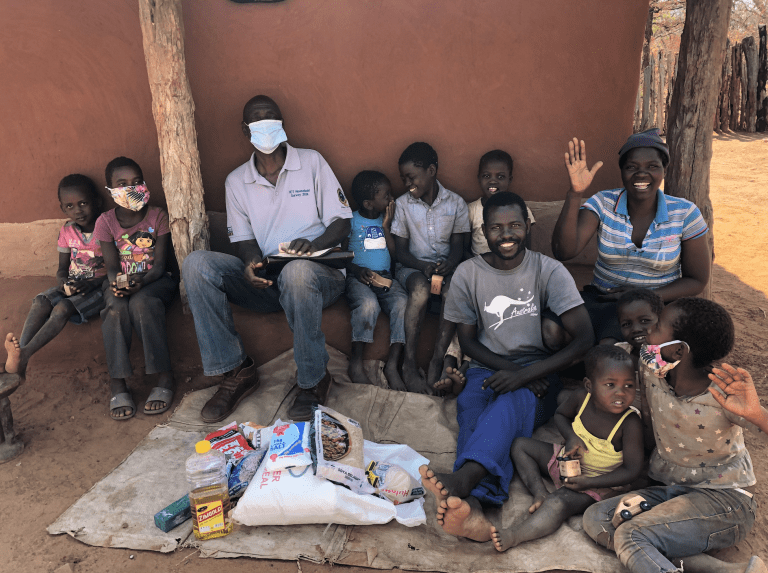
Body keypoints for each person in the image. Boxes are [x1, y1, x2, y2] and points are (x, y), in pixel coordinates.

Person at [418, 191, 594, 542]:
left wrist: (527, 375)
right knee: (471, 408)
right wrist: (511, 373)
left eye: (514, 225)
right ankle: (476, 508)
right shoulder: (469, 273)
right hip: (488, 368)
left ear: (527, 225)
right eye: (496, 228)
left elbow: (585, 338)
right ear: (484, 230)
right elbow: (468, 342)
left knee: (507, 407)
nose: (506, 234)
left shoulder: (548, 270)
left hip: (539, 376)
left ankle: (464, 480)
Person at [182, 95, 352, 423]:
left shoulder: (311, 162)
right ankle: (237, 372)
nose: (265, 123)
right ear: (246, 129)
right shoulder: (236, 181)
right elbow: (244, 241)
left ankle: (314, 380)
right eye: (257, 119)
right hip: (271, 279)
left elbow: (342, 221)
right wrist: (250, 263)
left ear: (282, 122)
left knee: (297, 272)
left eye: (271, 116)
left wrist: (313, 244)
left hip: (319, 278)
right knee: (197, 265)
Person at [582, 298, 768, 573]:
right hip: (671, 491)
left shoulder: (724, 394)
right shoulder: (651, 370)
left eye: (657, 327)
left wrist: (756, 414)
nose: (649, 331)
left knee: (631, 535)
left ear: (678, 349)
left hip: (726, 502)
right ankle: (728, 571)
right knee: (598, 519)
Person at [551, 129, 711, 344]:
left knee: (611, 346)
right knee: (550, 330)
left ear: (664, 170)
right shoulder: (603, 203)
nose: (641, 174)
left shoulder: (685, 213)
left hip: (654, 305)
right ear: (622, 171)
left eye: (652, 166)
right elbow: (564, 251)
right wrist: (575, 192)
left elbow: (697, 280)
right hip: (603, 298)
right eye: (631, 167)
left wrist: (646, 294)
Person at [491, 345, 643, 551]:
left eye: (629, 385)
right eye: (610, 385)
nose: (621, 393)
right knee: (520, 445)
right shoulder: (581, 398)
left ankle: (515, 535)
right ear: (589, 385)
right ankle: (539, 493)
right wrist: (571, 437)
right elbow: (560, 415)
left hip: (597, 484)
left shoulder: (630, 422)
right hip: (566, 463)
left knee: (557, 502)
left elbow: (632, 470)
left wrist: (589, 482)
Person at [435, 149, 540, 396]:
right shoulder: (471, 210)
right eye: (487, 176)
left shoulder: (521, 209)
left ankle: (465, 369)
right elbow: (463, 250)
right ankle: (449, 365)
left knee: (493, 321)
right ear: (478, 178)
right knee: (465, 315)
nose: (493, 181)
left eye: (500, 176)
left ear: (510, 179)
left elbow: (528, 251)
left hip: (511, 277)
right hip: (478, 276)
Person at [95, 157, 178, 420]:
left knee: (142, 303)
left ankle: (164, 376)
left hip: (155, 280)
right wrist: (119, 284)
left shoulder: (158, 216)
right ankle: (118, 382)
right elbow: (111, 267)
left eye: (136, 181)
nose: (131, 188)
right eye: (122, 184)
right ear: (110, 189)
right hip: (122, 281)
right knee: (115, 306)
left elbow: (160, 265)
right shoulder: (105, 222)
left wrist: (140, 282)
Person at [4, 174, 106, 379]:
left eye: (83, 203)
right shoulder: (67, 230)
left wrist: (92, 284)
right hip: (72, 285)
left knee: (62, 308)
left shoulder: (107, 228)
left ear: (97, 202)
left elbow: (116, 269)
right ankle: (19, 356)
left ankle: (24, 355)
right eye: (70, 206)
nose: (78, 210)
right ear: (63, 209)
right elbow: (62, 269)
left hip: (97, 289)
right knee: (41, 301)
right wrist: (63, 282)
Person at [391, 142, 470, 393]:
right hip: (412, 268)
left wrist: (450, 264)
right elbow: (401, 252)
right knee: (420, 291)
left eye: (411, 177)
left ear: (431, 171)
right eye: (403, 179)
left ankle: (437, 360)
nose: (407, 183)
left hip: (446, 270)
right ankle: (409, 364)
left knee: (452, 291)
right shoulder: (403, 205)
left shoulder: (456, 203)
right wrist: (422, 266)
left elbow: (458, 246)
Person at [343, 170, 407, 389]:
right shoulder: (351, 221)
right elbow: (342, 255)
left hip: (385, 277)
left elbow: (395, 254)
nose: (391, 199)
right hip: (358, 278)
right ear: (369, 204)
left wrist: (386, 226)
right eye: (386, 195)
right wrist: (356, 270)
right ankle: (356, 362)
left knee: (402, 303)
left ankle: (393, 364)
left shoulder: (387, 220)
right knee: (368, 305)